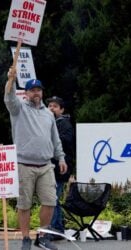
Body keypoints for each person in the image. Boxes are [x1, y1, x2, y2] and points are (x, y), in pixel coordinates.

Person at [4, 72, 67, 250]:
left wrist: (60, 157)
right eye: (32, 90)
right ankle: (25, 238)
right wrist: (11, 80)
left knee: (50, 201)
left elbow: (55, 139)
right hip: (24, 165)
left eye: (38, 90)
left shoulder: (48, 114)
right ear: (26, 93)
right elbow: (9, 98)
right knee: (24, 204)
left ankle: (42, 236)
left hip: (46, 165)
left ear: (42, 93)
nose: (36, 93)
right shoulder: (18, 109)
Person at [47, 96, 74, 237]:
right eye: (49, 106)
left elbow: (64, 142)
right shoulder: (48, 122)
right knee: (54, 199)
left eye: (55, 106)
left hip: (60, 168)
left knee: (52, 199)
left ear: (61, 110)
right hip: (51, 168)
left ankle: (54, 230)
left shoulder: (64, 124)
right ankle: (58, 228)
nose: (51, 108)